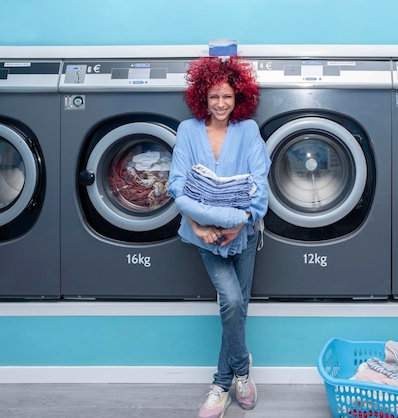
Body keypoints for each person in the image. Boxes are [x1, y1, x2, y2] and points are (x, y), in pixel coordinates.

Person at [167, 55, 270, 418]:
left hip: (243, 234)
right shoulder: (187, 131)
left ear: (238, 97)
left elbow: (260, 188)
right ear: (202, 98)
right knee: (232, 302)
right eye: (214, 97)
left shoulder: (249, 131)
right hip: (206, 237)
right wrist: (198, 225)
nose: (221, 104)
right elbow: (176, 186)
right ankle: (240, 371)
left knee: (237, 307)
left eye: (227, 96)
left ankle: (220, 385)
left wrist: (240, 220)